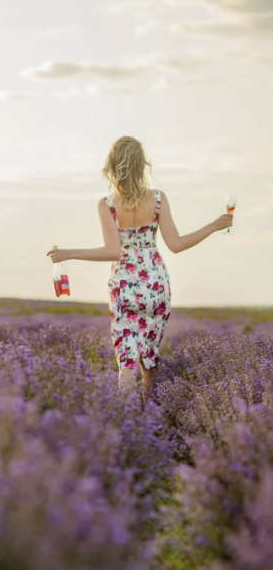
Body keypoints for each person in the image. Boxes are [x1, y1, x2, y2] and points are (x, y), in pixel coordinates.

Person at [46, 135, 233, 403]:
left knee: (127, 362)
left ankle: (128, 422)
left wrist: (69, 253)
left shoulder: (107, 205)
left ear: (112, 166)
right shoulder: (158, 199)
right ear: (140, 166)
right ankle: (151, 418)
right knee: (149, 358)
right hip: (156, 286)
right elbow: (177, 245)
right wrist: (214, 226)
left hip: (125, 288)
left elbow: (114, 251)